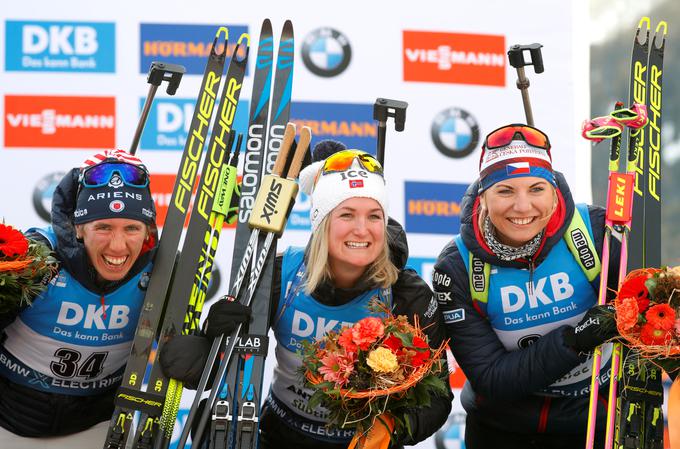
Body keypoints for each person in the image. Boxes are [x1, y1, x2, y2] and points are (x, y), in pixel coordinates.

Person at [161, 141, 453, 449]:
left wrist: (391, 427)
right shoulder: (281, 275)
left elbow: (436, 397)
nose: (361, 229)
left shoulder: (406, 295)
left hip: (358, 442)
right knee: (210, 426)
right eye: (347, 215)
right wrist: (214, 337)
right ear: (322, 221)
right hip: (282, 434)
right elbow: (203, 373)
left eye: (374, 216)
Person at [432, 124, 620, 449]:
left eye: (536, 189)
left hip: (594, 420)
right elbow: (491, 378)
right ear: (484, 196)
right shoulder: (456, 266)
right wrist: (576, 342)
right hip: (504, 429)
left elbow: (646, 316)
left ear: (554, 190)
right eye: (505, 191)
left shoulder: (597, 232)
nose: (522, 207)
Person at [0, 150, 158, 447]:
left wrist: (206, 339)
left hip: (97, 427)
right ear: (78, 227)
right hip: (9, 422)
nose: (118, 245)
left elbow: (193, 369)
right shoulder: (36, 259)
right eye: (104, 227)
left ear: (147, 229)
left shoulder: (160, 271)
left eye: (132, 228)